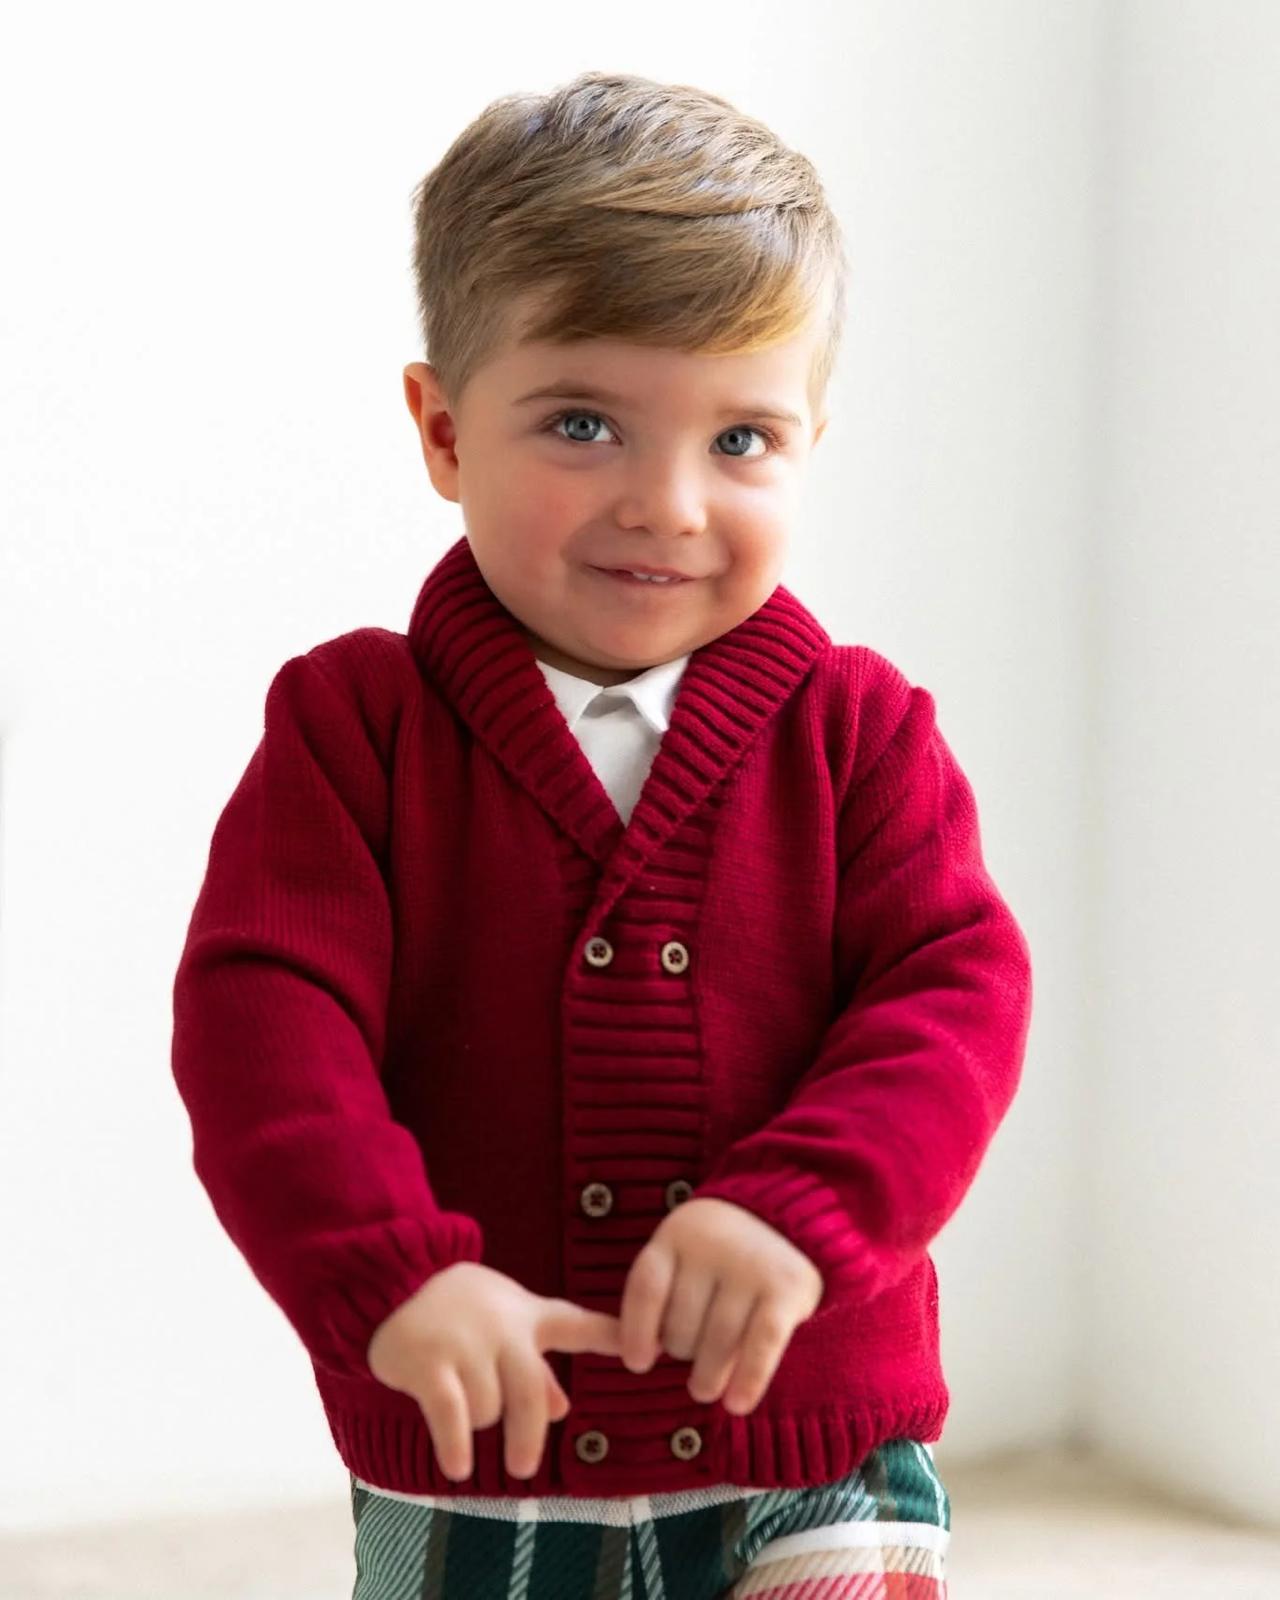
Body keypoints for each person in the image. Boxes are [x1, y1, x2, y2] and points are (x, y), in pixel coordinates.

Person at [170, 68, 1033, 1600]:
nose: (669, 504)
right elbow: (265, 1030)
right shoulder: (352, 729)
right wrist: (392, 1275)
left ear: (813, 440)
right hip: (484, 1439)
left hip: (812, 1423)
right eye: (583, 424)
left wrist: (807, 1211)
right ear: (444, 431)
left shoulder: (862, 731)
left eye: (743, 440)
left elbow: (952, 1002)